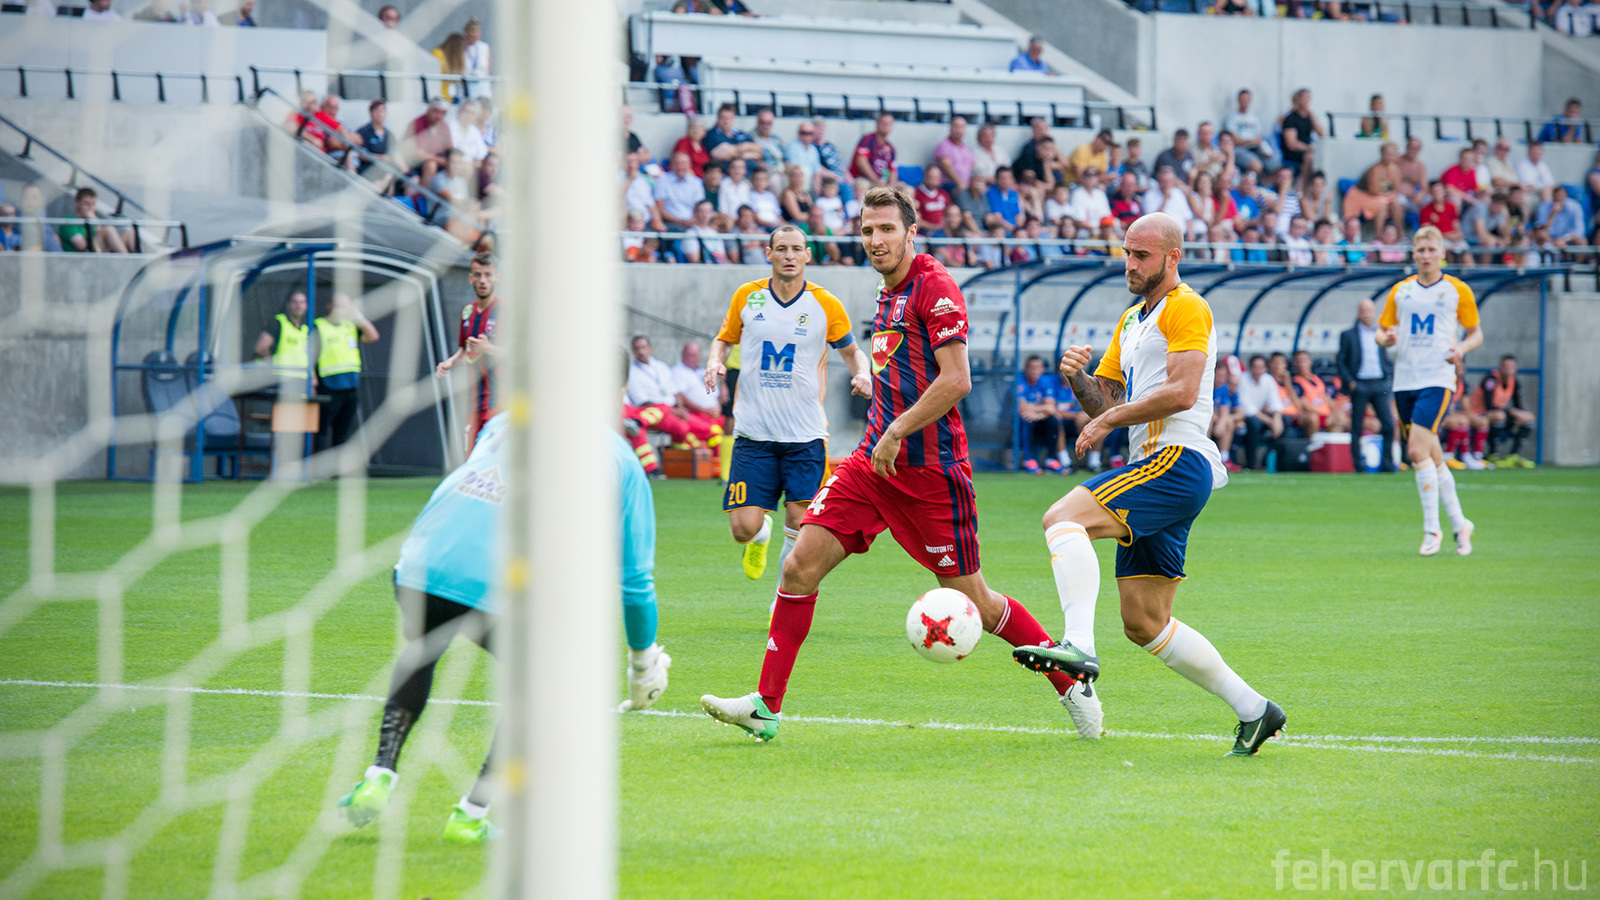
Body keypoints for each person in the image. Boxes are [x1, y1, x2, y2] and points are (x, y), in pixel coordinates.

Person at [700, 187, 1082, 741]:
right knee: (798, 566)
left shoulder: (936, 287)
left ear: (911, 233)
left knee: (977, 601)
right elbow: (897, 371)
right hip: (871, 466)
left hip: (931, 474)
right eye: (867, 230)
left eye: (886, 229)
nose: (875, 240)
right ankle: (766, 706)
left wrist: (898, 430)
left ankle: (1071, 683)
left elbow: (957, 380)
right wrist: (880, 413)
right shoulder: (887, 292)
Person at [1013, 212, 1284, 754]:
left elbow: (1182, 392)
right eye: (1127, 254)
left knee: (1061, 519)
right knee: (1144, 621)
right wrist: (1077, 378)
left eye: (1142, 255)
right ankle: (1256, 711)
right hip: (1156, 466)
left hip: (1177, 460)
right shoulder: (1133, 319)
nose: (1131, 265)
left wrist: (1110, 420)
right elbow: (1104, 402)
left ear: (1172, 257)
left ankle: (1078, 646)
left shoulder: (1187, 306)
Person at [335, 407, 671, 842]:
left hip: (421, 561)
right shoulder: (622, 459)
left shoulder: (509, 418)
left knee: (422, 650)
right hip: (494, 581)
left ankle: (379, 775)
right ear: (620, 394)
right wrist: (642, 664)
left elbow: (480, 489)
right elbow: (636, 582)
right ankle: (471, 814)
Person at [704, 224, 870, 581]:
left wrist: (863, 374)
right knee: (742, 528)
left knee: (800, 523)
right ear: (769, 254)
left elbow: (853, 351)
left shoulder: (825, 303)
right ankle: (760, 535)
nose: (789, 256)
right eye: (781, 249)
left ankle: (782, 600)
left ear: (808, 255)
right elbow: (723, 339)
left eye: (796, 249)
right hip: (754, 434)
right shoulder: (748, 296)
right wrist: (715, 361)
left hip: (805, 436)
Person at [1375, 226, 1481, 556]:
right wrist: (1386, 338)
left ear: (1442, 253)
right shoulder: (1401, 291)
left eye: (1431, 250)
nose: (1426, 256)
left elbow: (1476, 333)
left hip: (1437, 378)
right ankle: (1461, 524)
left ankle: (1432, 530)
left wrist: (1461, 349)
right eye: (1421, 250)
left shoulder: (1457, 290)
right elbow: (1382, 330)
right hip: (1405, 380)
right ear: (1414, 254)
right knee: (1433, 458)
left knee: (1416, 451)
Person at [435, 253, 502, 452]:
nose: (483, 280)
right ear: (470, 278)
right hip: (474, 403)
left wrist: (489, 349)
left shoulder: (505, 311)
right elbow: (466, 352)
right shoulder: (468, 312)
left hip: (500, 402)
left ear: (497, 278)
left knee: (490, 459)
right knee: (471, 457)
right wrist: (450, 362)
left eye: (488, 275)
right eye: (478, 275)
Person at [313, 293, 380, 453]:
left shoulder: (350, 326)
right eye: (337, 306)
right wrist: (313, 379)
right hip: (328, 385)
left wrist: (359, 317)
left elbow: (373, 336)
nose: (340, 310)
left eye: (344, 307)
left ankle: (338, 466)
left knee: (342, 431)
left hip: (350, 386)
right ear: (329, 306)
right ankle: (318, 464)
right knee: (321, 430)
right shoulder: (319, 326)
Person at [1337, 298, 1398, 473]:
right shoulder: (1348, 334)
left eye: (1369, 311)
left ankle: (1387, 464)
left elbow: (1385, 357)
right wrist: (1350, 382)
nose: (1366, 314)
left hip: (1379, 384)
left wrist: (1388, 375)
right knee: (1357, 426)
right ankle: (1358, 466)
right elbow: (1341, 361)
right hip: (1360, 385)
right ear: (1358, 313)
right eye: (1363, 311)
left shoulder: (1381, 333)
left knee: (1388, 424)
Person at [1479, 354, 1536, 466]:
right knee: (1499, 416)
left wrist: (1520, 414)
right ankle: (1492, 454)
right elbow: (1488, 405)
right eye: (1506, 366)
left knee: (1528, 418)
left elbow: (1518, 405)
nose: (1509, 369)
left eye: (1511, 366)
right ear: (1500, 367)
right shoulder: (1491, 380)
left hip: (1502, 414)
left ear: (1516, 368)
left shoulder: (1514, 382)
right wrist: (1510, 411)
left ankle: (1513, 455)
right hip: (1482, 413)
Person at [1016, 355, 1062, 473]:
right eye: (1031, 367)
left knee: (1054, 420)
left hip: (1040, 419)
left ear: (1042, 369)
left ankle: (1051, 459)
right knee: (1027, 420)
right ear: (1026, 368)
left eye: (1037, 367)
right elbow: (1022, 409)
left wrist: (1038, 414)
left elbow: (1051, 408)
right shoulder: (1020, 380)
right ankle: (1028, 459)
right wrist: (1042, 409)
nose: (1034, 370)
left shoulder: (1045, 381)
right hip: (1020, 422)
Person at [255, 289, 313, 381]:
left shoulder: (306, 329)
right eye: (295, 302)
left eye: (302, 302)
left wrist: (313, 377)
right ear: (288, 304)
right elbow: (261, 348)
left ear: (306, 306)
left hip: (302, 380)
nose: (298, 306)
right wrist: (271, 366)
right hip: (282, 379)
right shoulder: (278, 323)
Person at [58, 187, 131, 254]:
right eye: (86, 203)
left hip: (98, 251)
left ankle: (129, 259)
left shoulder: (94, 219)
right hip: (83, 256)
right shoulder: (69, 221)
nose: (90, 207)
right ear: (77, 203)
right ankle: (126, 259)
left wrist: (95, 222)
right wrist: (95, 223)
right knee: (108, 229)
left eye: (93, 204)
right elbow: (82, 247)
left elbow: (103, 238)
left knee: (129, 232)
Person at [852, 112, 897, 188]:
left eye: (889, 123)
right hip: (863, 179)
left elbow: (893, 170)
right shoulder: (867, 140)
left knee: (906, 189)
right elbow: (861, 161)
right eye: (883, 123)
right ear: (877, 124)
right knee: (866, 186)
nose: (886, 125)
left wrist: (891, 186)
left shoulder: (891, 148)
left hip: (882, 182)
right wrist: (876, 180)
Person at [461, 17, 492, 99]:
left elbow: (488, 69)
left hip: (482, 87)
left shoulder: (484, 47)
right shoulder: (461, 48)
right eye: (469, 36)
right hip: (466, 87)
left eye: (475, 37)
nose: (472, 39)